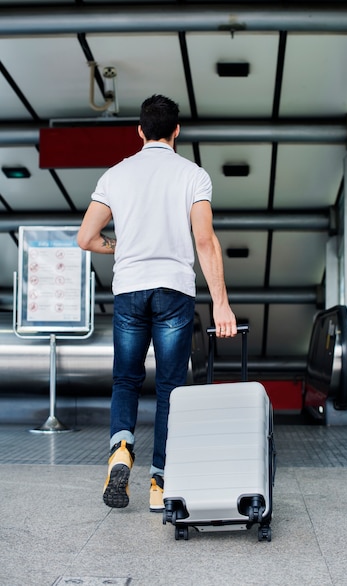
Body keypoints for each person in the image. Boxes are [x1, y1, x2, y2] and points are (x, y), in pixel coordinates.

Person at [77, 94, 237, 512]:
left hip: (130, 288)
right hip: (174, 291)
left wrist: (121, 246)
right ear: (177, 132)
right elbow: (204, 241)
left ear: (140, 131)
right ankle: (160, 482)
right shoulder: (193, 175)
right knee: (170, 387)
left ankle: (120, 451)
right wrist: (221, 303)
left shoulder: (116, 175)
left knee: (126, 380)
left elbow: (86, 238)